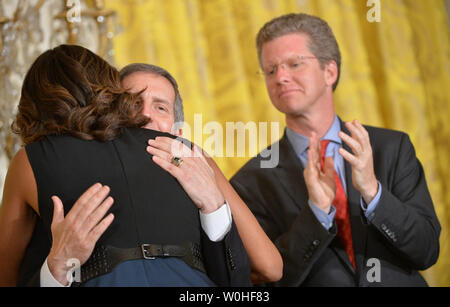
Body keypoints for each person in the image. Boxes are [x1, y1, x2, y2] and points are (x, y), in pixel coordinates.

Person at [0, 44, 253, 287]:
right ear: (111, 93)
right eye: (135, 103)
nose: (146, 116)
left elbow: (6, 275)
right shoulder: (183, 152)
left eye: (161, 107)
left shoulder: (30, 162)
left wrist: (57, 268)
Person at [230, 13, 441, 286]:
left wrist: (373, 193)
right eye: (271, 70)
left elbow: (426, 251)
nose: (281, 77)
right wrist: (316, 212)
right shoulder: (251, 181)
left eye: (294, 64)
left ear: (330, 71)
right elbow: (266, 280)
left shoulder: (391, 148)